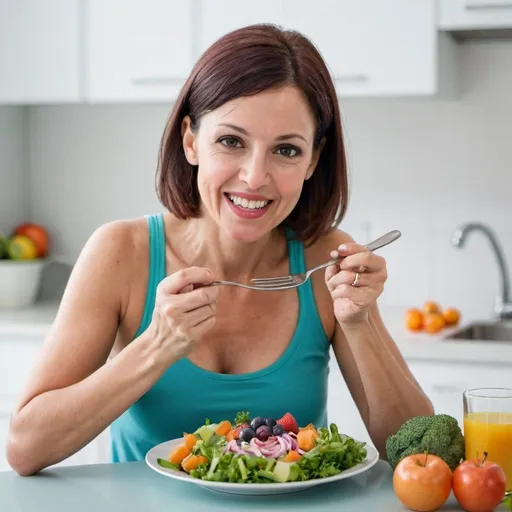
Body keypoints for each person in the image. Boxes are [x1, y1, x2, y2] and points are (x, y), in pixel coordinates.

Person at [6, 24, 433, 476]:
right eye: (231, 141)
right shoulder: (120, 253)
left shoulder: (325, 258)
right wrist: (156, 345)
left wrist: (359, 323)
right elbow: (26, 447)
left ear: (312, 160)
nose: (253, 177)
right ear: (191, 140)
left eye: (286, 150)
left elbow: (423, 455)